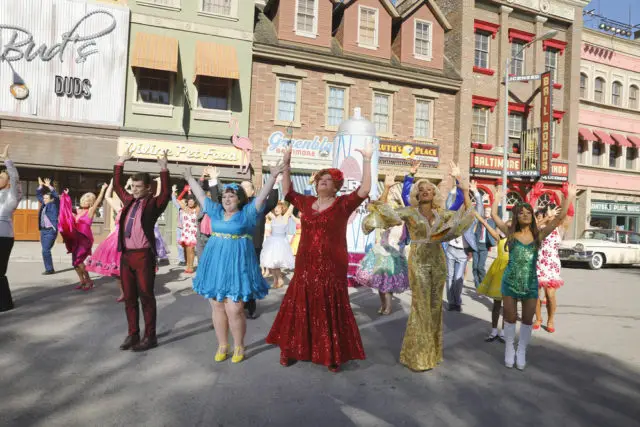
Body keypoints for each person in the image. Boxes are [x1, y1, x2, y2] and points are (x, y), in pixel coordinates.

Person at [267, 143, 373, 373]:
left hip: (332, 265)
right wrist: (287, 164)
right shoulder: (305, 203)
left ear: (336, 186)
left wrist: (366, 159)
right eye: (320, 179)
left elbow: (364, 189)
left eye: (328, 179)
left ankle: (332, 354)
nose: (322, 181)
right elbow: (287, 192)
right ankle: (290, 349)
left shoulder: (343, 204)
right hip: (305, 264)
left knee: (329, 307)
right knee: (300, 304)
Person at [363, 162, 475, 372]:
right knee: (420, 306)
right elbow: (385, 214)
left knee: (434, 307)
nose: (425, 192)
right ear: (416, 194)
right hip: (419, 260)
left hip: (438, 260)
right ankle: (417, 356)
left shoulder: (443, 214)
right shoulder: (409, 212)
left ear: (434, 194)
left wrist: (465, 188)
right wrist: (387, 188)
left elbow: (467, 216)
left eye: (429, 190)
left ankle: (432, 353)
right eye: (421, 190)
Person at [186, 162, 285, 364]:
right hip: (215, 265)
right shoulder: (214, 211)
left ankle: (239, 345)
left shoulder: (247, 213)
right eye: (224, 196)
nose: (227, 199)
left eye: (231, 196)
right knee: (217, 306)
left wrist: (272, 178)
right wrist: (189, 178)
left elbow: (262, 197)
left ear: (239, 199)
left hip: (238, 266)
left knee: (235, 309)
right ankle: (223, 345)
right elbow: (202, 196)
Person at [490, 185, 576, 370]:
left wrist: (569, 197)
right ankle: (509, 350)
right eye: (520, 212)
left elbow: (560, 218)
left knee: (528, 320)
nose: (525, 214)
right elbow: (494, 217)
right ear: (517, 217)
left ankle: (521, 351)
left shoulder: (539, 234)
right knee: (510, 318)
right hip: (510, 282)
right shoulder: (510, 232)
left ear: (532, 215)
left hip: (530, 283)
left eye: (528, 211)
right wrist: (496, 198)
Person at [114, 150, 170, 352]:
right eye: (133, 186)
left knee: (146, 296)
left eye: (139, 187)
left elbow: (166, 194)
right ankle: (133, 334)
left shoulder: (154, 204)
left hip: (143, 256)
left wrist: (164, 168)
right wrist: (120, 162)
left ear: (147, 188)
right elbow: (117, 185)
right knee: (129, 297)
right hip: (126, 256)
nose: (135, 190)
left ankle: (150, 336)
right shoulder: (128, 201)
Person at [208, 173, 278, 318]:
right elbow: (216, 201)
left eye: (247, 187)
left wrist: (275, 182)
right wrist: (214, 181)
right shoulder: (227, 206)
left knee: (248, 276)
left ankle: (248, 306)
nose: (243, 189)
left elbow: (271, 202)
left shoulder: (256, 206)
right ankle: (225, 308)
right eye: (242, 187)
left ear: (252, 191)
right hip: (229, 248)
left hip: (252, 245)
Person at [356, 180, 409, 315]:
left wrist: (399, 197)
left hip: (394, 254)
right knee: (380, 282)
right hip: (381, 252)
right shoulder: (385, 220)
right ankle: (384, 304)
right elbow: (381, 207)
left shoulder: (401, 219)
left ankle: (389, 306)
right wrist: (386, 189)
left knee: (389, 282)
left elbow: (405, 209)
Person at [59, 183, 108, 291]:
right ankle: (82, 281)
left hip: (84, 240)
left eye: (86, 200)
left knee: (79, 261)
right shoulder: (78, 211)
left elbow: (99, 200)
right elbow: (66, 209)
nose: (83, 201)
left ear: (91, 203)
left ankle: (89, 281)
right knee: (75, 263)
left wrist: (103, 189)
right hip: (76, 240)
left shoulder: (90, 211)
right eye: (83, 200)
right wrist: (65, 196)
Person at [444, 180, 483, 312]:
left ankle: (457, 301)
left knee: (458, 278)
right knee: (449, 276)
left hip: (462, 252)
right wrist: (454, 187)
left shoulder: (471, 219)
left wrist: (476, 192)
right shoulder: (453, 216)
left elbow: (480, 210)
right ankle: (452, 302)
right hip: (450, 249)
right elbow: (448, 204)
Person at [85, 179, 126, 302]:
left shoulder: (137, 209)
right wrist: (113, 183)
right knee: (117, 271)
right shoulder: (120, 209)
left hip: (130, 241)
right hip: (116, 240)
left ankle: (132, 292)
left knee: (128, 270)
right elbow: (107, 197)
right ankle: (123, 293)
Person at [476, 211, 510, 342]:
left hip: (509, 271)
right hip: (498, 272)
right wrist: (478, 216)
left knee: (507, 306)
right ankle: (494, 330)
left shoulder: (517, 239)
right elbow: (486, 224)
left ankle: (504, 332)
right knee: (497, 304)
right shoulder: (499, 238)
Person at [534, 204, 565, 333]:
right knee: (535, 294)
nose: (551, 213)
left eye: (553, 212)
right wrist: (546, 218)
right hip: (538, 261)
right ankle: (538, 318)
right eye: (547, 211)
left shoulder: (561, 227)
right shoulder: (541, 226)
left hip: (552, 263)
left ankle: (550, 320)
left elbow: (565, 216)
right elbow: (532, 229)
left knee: (550, 294)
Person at [0, 145, 20, 312]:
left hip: (3, 237)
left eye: (2, 177)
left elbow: (14, 178)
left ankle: (5, 304)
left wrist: (7, 160)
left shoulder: (12, 196)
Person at [261, 201, 295, 288]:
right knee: (271, 263)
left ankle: (279, 279)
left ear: (282, 209)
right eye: (275, 208)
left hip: (281, 243)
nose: (276, 209)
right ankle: (276, 280)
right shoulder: (272, 217)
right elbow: (265, 208)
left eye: (278, 208)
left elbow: (292, 206)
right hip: (272, 242)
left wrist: (291, 199)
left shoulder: (285, 217)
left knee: (276, 263)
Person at [36, 177, 60, 275]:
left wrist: (49, 186)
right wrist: (41, 186)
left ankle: (49, 269)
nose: (44, 199)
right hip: (43, 230)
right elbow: (38, 195)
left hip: (50, 230)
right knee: (45, 250)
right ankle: (49, 268)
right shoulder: (44, 204)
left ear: (51, 199)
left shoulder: (54, 204)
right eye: (44, 198)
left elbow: (56, 196)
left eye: (46, 198)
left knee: (45, 250)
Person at [472, 206, 497, 288]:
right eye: (485, 211)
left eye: (488, 211)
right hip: (476, 245)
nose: (486, 212)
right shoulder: (480, 220)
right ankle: (477, 284)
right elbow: (476, 212)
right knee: (475, 266)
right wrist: (482, 200)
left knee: (480, 267)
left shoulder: (492, 222)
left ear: (491, 213)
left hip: (484, 246)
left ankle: (484, 283)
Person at [177, 194, 199, 273]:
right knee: (187, 250)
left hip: (193, 232)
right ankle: (188, 266)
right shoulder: (185, 208)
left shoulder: (197, 209)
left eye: (192, 201)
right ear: (187, 202)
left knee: (191, 249)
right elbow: (178, 199)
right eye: (189, 201)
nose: (190, 203)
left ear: (194, 202)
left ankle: (191, 267)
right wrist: (184, 191)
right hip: (185, 232)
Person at [171, 185, 187, 267]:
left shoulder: (188, 210)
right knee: (179, 245)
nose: (180, 203)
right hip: (179, 229)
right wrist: (173, 191)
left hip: (186, 230)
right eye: (180, 203)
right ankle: (182, 260)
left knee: (186, 245)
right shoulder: (179, 209)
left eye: (182, 202)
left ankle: (187, 259)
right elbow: (174, 200)